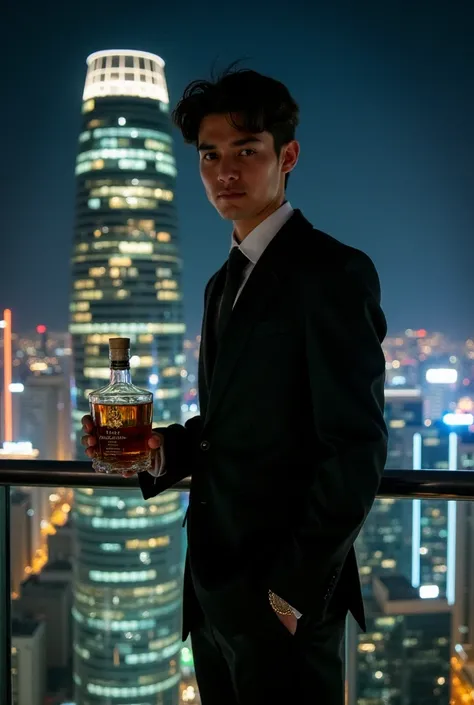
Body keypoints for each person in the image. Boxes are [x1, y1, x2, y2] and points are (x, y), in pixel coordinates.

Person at [82, 66, 388, 705]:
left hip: (281, 602)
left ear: (288, 156)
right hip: (212, 593)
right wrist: (159, 449)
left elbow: (355, 449)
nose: (226, 172)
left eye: (247, 151)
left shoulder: (332, 272)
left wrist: (289, 594)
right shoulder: (222, 284)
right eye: (210, 155)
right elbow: (227, 427)